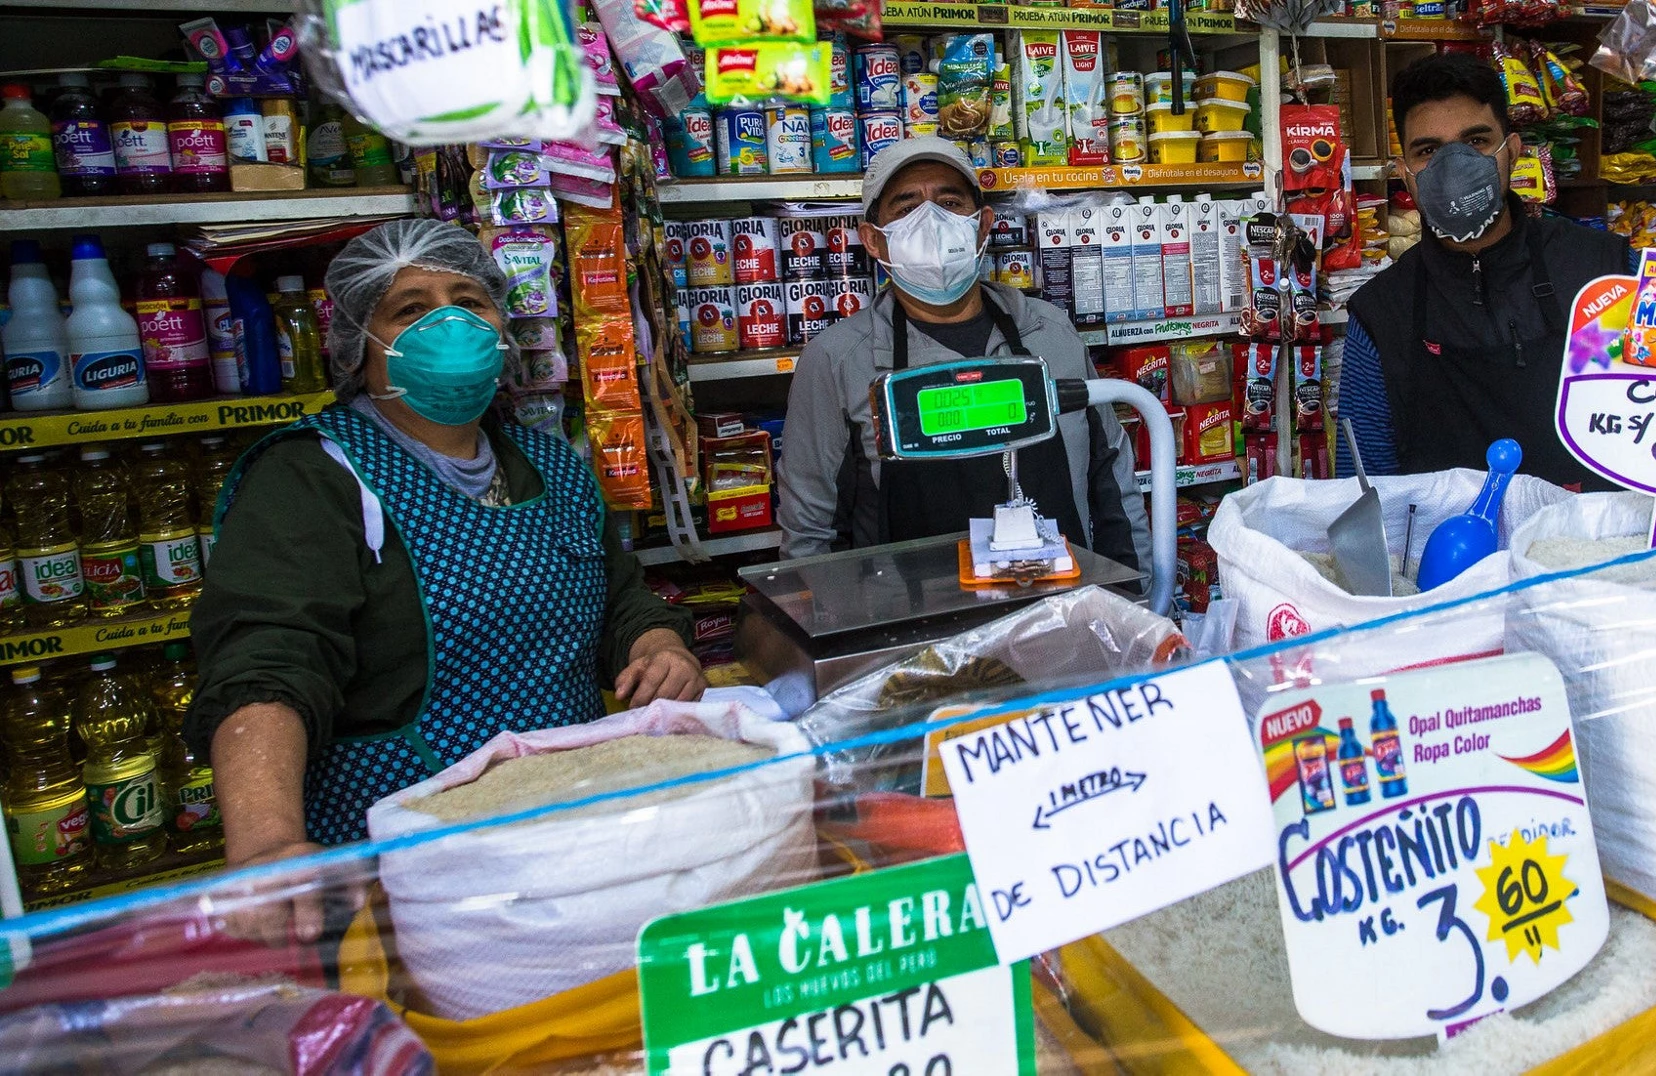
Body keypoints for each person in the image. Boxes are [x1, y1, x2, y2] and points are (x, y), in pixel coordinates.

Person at [190, 220, 703, 918]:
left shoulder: (548, 464)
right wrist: (264, 845)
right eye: (411, 308)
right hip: (407, 854)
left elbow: (618, 600)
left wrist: (658, 645)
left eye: (470, 300)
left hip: (575, 831)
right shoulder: (315, 476)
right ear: (357, 347)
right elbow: (268, 662)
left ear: (502, 324)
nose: (450, 322)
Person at [776, 136, 1152, 587]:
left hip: (1064, 618)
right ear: (874, 241)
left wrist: (1144, 608)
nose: (930, 220)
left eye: (949, 202)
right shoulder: (838, 360)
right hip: (917, 639)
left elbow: (1112, 485)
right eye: (906, 206)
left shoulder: (1051, 332)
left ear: (981, 226)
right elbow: (811, 535)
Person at [1339, 53, 1629, 489]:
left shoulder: (1606, 272)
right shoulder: (1382, 315)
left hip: (1588, 548)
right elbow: (1362, 491)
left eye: (1475, 141)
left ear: (1512, 152)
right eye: (1429, 150)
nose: (1453, 165)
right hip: (1445, 555)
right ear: (1406, 175)